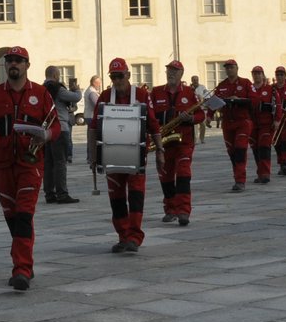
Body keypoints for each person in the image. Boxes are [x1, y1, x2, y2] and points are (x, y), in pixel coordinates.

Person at [0, 46, 60, 289]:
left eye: (18, 61)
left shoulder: (41, 93)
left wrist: (46, 135)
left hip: (30, 164)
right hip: (3, 165)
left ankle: (22, 269)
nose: (13, 64)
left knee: (24, 215)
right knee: (12, 217)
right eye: (10, 61)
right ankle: (25, 261)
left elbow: (55, 125)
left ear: (27, 65)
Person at [91, 58, 159, 253]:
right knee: (117, 198)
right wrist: (93, 156)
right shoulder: (104, 95)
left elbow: (153, 124)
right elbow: (94, 127)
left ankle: (135, 237)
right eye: (113, 77)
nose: (117, 80)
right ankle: (123, 236)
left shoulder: (142, 94)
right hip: (111, 155)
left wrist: (160, 149)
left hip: (136, 155)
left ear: (128, 75)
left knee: (136, 196)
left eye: (120, 76)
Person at [150, 61, 206, 226]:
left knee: (183, 175)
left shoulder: (190, 93)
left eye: (175, 71)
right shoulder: (156, 92)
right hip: (164, 143)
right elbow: (150, 114)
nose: (171, 73)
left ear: (182, 73)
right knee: (165, 178)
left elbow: (201, 115)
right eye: (169, 70)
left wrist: (191, 118)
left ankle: (183, 211)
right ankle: (170, 209)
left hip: (184, 142)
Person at [212, 59, 254, 192]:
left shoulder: (245, 83)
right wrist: (208, 115)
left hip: (242, 121)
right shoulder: (221, 85)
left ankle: (240, 180)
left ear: (237, 68)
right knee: (232, 152)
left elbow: (253, 99)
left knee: (240, 149)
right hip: (227, 123)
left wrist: (239, 100)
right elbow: (215, 101)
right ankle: (237, 177)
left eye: (231, 67)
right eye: (227, 68)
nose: (229, 69)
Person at [41, 66, 78, 205]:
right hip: (60, 128)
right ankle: (62, 194)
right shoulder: (58, 88)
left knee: (48, 163)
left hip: (46, 129)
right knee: (60, 162)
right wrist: (76, 88)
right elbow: (76, 97)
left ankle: (49, 194)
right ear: (56, 75)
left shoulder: (41, 88)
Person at [248, 66, 277, 184]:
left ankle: (265, 174)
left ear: (263, 75)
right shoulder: (249, 89)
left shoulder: (270, 89)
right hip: (252, 123)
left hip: (266, 123)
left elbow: (278, 105)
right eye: (254, 73)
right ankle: (260, 173)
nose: (257, 75)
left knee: (264, 148)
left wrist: (277, 120)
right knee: (255, 149)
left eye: (259, 73)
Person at [83, 74, 102, 196]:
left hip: (88, 116)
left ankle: (90, 157)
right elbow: (97, 104)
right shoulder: (91, 92)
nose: (99, 84)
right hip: (91, 117)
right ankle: (91, 159)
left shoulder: (91, 90)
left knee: (91, 139)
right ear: (94, 82)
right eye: (98, 82)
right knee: (92, 139)